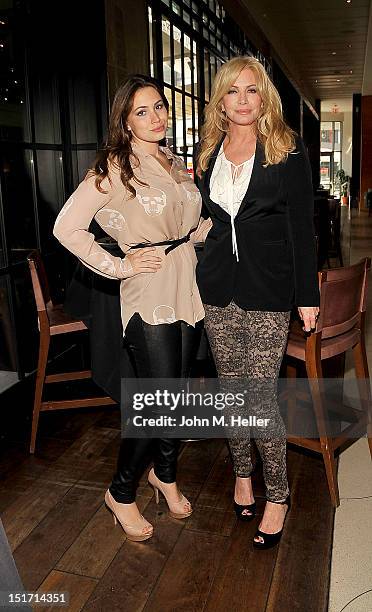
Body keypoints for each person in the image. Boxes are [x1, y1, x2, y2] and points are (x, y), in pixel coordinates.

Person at [53, 75, 211, 542]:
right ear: (124, 120)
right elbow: (67, 227)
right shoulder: (113, 168)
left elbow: (185, 221)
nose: (156, 117)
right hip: (149, 290)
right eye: (142, 111)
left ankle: (164, 475)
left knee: (176, 397)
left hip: (187, 282)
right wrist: (118, 266)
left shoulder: (174, 160)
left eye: (160, 106)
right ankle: (121, 493)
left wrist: (200, 232)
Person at [194, 56, 320, 549]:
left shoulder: (286, 150)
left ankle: (279, 494)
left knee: (259, 396)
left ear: (263, 96)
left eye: (251, 90)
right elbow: (208, 220)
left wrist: (306, 298)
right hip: (217, 289)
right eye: (233, 91)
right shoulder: (208, 154)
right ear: (220, 100)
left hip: (270, 290)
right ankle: (242, 473)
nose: (242, 100)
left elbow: (302, 232)